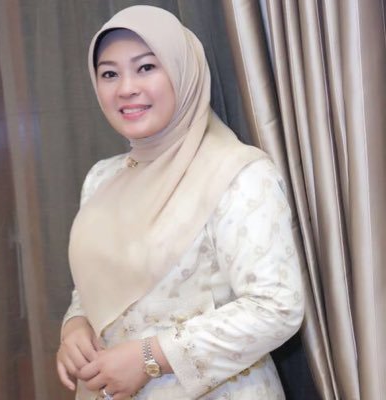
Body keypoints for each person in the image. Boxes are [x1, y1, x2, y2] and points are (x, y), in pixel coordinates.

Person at [56, 5, 304, 400]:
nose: (126, 88)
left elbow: (276, 307)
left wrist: (149, 357)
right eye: (109, 74)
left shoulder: (239, 173)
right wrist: (76, 325)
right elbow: (99, 284)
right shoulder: (102, 179)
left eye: (146, 67)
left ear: (183, 73)